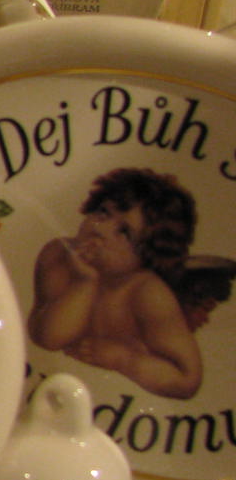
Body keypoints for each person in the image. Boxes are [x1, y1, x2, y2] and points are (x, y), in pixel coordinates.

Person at [27, 167, 201, 400]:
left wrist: (125, 359)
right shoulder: (58, 254)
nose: (100, 229)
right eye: (103, 213)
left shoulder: (148, 293)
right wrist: (84, 283)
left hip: (124, 403)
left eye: (124, 232)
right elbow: (48, 338)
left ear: (148, 254)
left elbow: (186, 380)